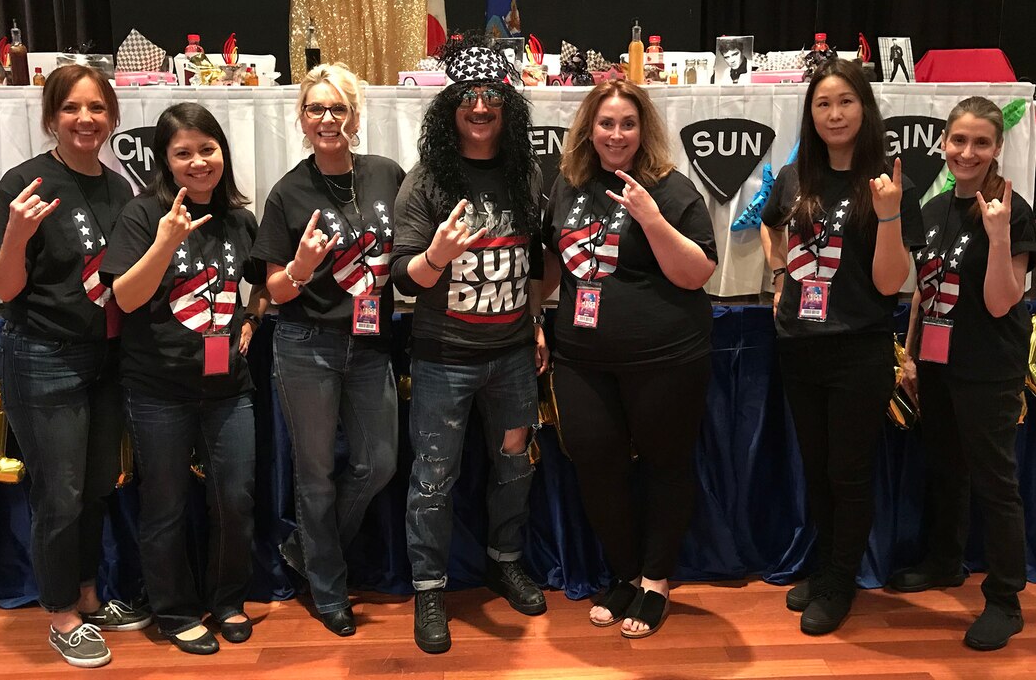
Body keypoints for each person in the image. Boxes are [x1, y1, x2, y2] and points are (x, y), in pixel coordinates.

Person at [0, 64, 150, 668]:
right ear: (51, 116)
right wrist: (18, 235)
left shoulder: (120, 188)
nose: (85, 119)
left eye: (97, 108)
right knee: (60, 492)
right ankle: (61, 614)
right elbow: (3, 283)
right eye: (72, 108)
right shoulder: (24, 184)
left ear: (113, 118)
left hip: (106, 355)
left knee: (97, 485)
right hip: (42, 355)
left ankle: (89, 595)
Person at [541, 79, 717, 638]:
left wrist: (651, 218)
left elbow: (696, 273)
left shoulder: (669, 188)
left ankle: (657, 580)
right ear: (588, 128)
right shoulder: (566, 186)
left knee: (666, 464)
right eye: (606, 123)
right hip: (580, 358)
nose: (616, 134)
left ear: (644, 131)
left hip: (666, 357)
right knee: (595, 462)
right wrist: (527, 321)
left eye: (628, 124)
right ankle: (622, 572)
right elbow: (551, 266)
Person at [390, 36, 548, 654]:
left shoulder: (526, 173)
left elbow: (536, 258)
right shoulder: (426, 180)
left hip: (511, 354)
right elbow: (402, 278)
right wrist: (436, 256)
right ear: (449, 106)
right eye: (469, 97)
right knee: (432, 478)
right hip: (443, 358)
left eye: (493, 97)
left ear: (508, 108)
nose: (480, 107)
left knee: (514, 465)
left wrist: (535, 321)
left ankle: (504, 560)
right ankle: (430, 587)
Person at [759, 58, 925, 635]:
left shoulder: (887, 181)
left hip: (859, 347)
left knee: (848, 472)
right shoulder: (795, 175)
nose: (834, 114)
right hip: (799, 344)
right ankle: (828, 564)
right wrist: (780, 276)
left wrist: (887, 216)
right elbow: (771, 223)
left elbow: (888, 284)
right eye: (823, 103)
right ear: (810, 112)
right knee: (816, 466)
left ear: (865, 109)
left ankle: (840, 581)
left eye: (846, 102)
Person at [101, 103, 267, 655]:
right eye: (183, 153)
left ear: (222, 151)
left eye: (207, 149)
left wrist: (251, 317)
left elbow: (260, 281)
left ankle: (227, 600)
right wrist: (165, 242)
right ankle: (173, 610)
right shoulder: (142, 215)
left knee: (235, 498)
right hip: (159, 390)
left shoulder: (240, 219)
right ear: (165, 162)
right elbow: (124, 297)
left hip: (229, 387)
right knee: (166, 504)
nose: (198, 162)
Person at [252, 62, 404, 637]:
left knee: (379, 462)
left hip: (371, 345)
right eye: (316, 108)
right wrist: (300, 267)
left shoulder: (387, 174)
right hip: (305, 345)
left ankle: (307, 548)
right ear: (302, 118)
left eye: (338, 107)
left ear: (356, 116)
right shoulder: (288, 191)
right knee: (314, 475)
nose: (327, 118)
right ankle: (328, 585)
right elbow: (272, 289)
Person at [894, 96, 1036, 651]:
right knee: (945, 468)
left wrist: (999, 237)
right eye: (958, 141)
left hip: (987, 368)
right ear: (944, 144)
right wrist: (909, 354)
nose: (967, 152)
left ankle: (1005, 598)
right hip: (935, 363)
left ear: (998, 148)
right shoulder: (932, 213)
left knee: (995, 483)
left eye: (981, 142)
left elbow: (1003, 302)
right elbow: (921, 293)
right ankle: (944, 562)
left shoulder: (1010, 207)